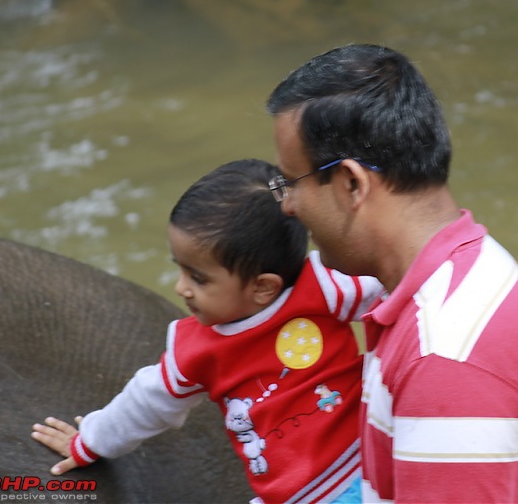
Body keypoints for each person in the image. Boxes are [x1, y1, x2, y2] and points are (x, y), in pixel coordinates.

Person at [266, 44, 518, 503]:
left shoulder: (446, 363)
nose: (286, 204)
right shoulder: (470, 264)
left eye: (291, 181)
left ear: (351, 184)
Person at [31, 159, 383, 504]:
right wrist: (90, 440)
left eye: (198, 278)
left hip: (362, 468)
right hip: (346, 475)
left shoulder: (322, 286)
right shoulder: (201, 347)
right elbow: (144, 402)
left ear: (263, 287)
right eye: (181, 270)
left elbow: (394, 285)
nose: (181, 288)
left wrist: (88, 442)